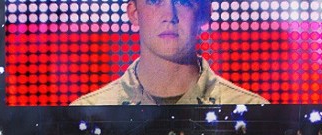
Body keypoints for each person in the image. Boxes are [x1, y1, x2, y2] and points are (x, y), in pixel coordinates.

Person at [69, 0, 268, 106]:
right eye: (154, 1)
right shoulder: (88, 113)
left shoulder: (252, 110)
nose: (169, 16)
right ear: (134, 13)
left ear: (205, 13)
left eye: (184, 2)